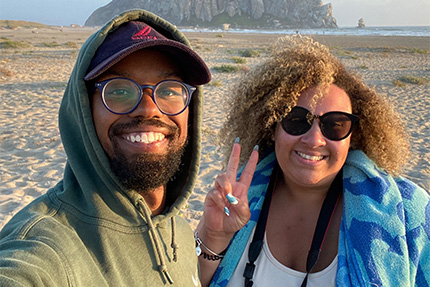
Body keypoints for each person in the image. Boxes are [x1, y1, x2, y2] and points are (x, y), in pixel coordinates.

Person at [195, 36, 429, 287]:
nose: (314, 139)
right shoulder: (235, 200)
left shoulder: (408, 213)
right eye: (296, 120)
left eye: (335, 124)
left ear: (353, 137)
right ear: (272, 127)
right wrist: (214, 236)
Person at [0, 9, 211, 286]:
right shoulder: (46, 247)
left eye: (170, 90)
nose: (149, 109)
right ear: (85, 109)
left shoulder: (178, 229)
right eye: (119, 90)